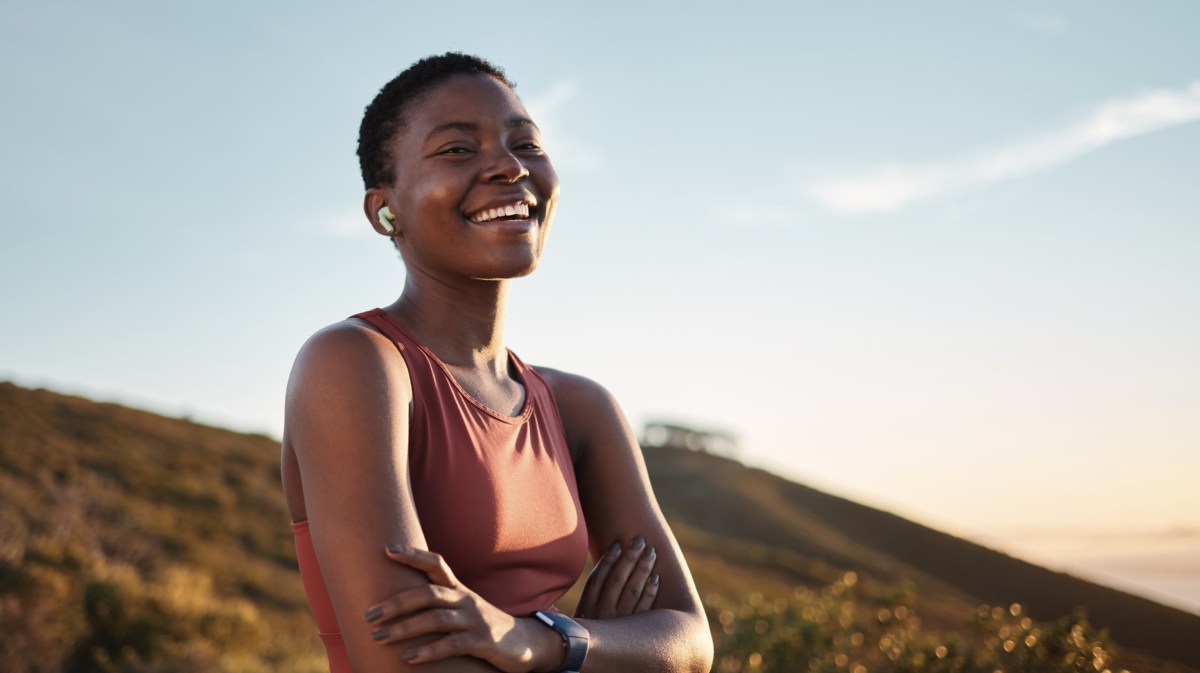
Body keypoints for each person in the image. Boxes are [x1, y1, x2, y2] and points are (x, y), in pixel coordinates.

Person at [280, 53, 713, 673]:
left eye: (526, 144)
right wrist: (611, 652)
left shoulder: (579, 407)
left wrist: (541, 641)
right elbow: (411, 663)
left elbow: (690, 644)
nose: (510, 167)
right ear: (385, 210)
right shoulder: (355, 365)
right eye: (457, 150)